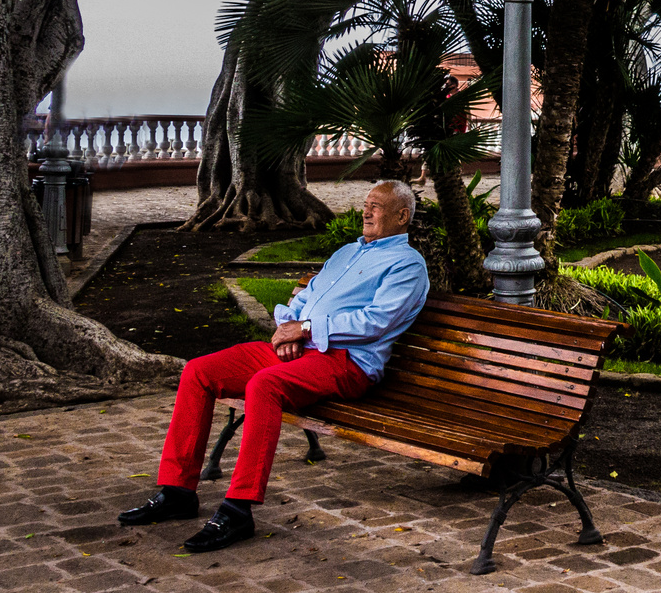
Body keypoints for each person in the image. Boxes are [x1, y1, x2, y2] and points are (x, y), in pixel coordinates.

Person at [117, 179, 429, 553]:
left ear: (402, 215)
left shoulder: (408, 265)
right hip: (301, 347)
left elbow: (376, 323)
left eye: (376, 206)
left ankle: (238, 509)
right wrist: (289, 329)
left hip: (345, 362)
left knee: (264, 385)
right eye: (366, 204)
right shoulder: (347, 252)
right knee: (199, 371)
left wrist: (307, 330)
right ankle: (177, 491)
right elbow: (302, 300)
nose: (366, 211)